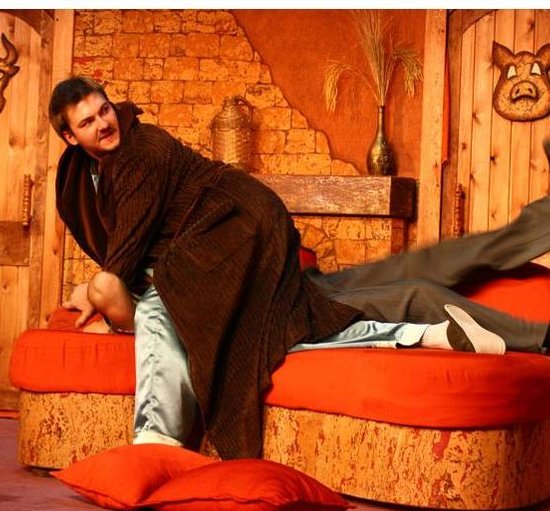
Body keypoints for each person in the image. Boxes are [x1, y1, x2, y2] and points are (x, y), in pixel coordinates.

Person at [49, 76, 550, 459]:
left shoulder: (141, 156)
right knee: (396, 284)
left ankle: (528, 330)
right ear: (70, 136)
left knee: (411, 289)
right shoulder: (96, 166)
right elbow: (128, 250)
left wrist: (104, 298)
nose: (103, 124)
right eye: (88, 122)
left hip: (248, 249)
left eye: (104, 110)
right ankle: (433, 333)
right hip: (268, 257)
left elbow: (123, 267)